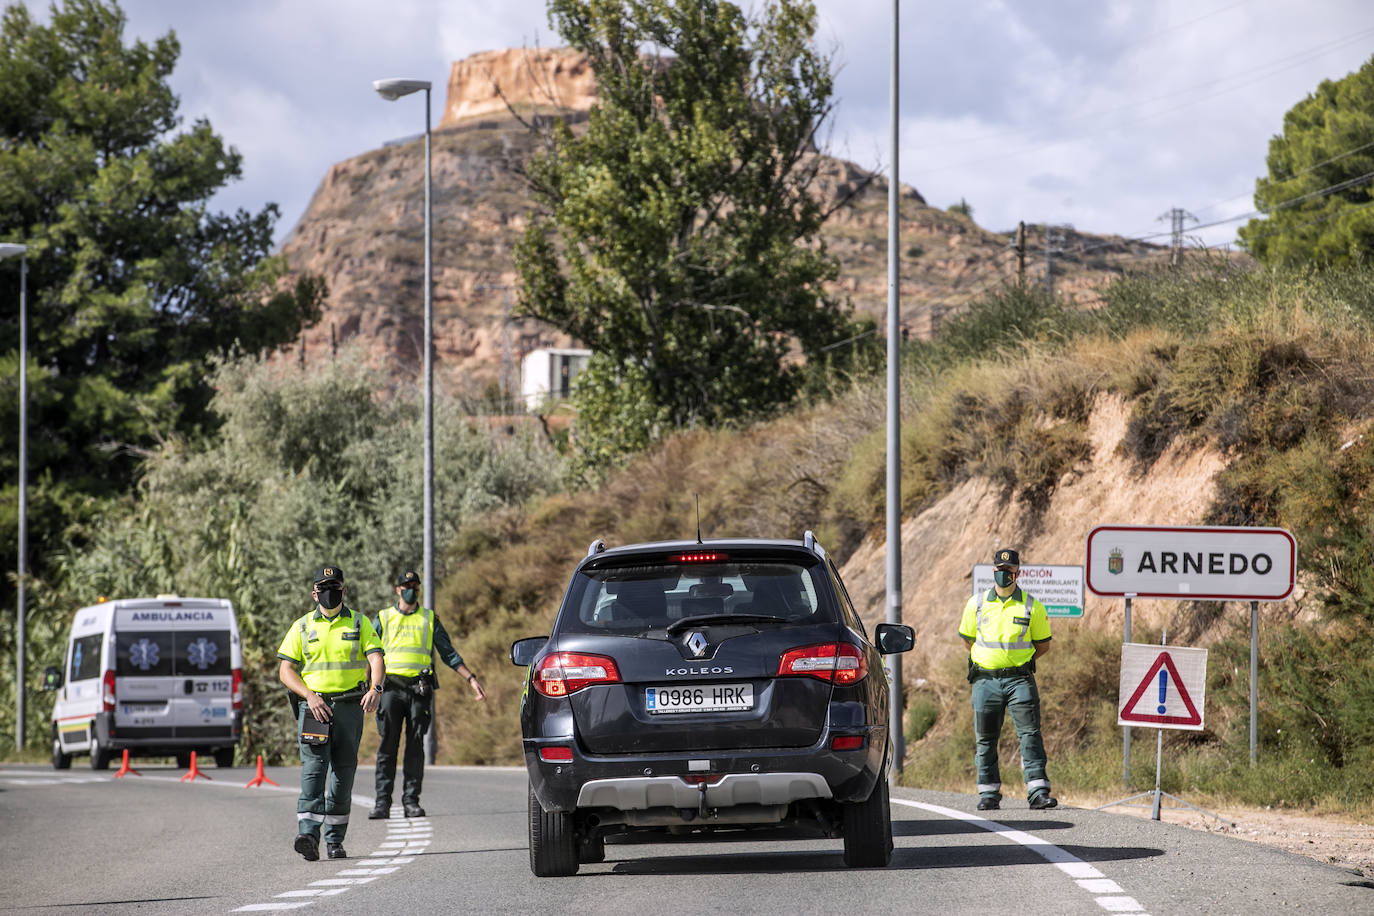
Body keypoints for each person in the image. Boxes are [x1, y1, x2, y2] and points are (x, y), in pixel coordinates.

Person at [278, 565, 384, 861]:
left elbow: (376, 658)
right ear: (314, 594)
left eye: (335, 587)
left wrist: (376, 689)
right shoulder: (301, 627)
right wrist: (309, 696)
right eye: (323, 589)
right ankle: (308, 835)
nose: (329, 593)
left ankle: (335, 841)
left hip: (350, 707)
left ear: (344, 590)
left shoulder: (361, 623)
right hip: (314, 708)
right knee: (313, 771)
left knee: (342, 775)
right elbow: (285, 670)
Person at [369, 568, 486, 820]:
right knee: (388, 745)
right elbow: (368, 654)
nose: (411, 590)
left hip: (418, 689)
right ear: (398, 589)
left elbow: (448, 653)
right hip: (390, 689)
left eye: (415, 586)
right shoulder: (383, 617)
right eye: (406, 586)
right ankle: (382, 802)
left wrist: (471, 679)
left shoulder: (429, 618)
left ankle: (411, 800)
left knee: (415, 746)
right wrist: (368, 687)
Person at [958, 547, 1057, 811]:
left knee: (1030, 735)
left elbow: (1043, 644)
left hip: (1019, 681)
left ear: (1018, 573)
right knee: (985, 738)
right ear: (994, 571)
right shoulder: (976, 604)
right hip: (985, 682)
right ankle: (988, 793)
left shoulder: (1032, 605)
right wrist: (991, 662)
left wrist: (1017, 663)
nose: (1005, 575)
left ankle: (1038, 791)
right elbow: (968, 639)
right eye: (1001, 570)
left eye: (1010, 571)